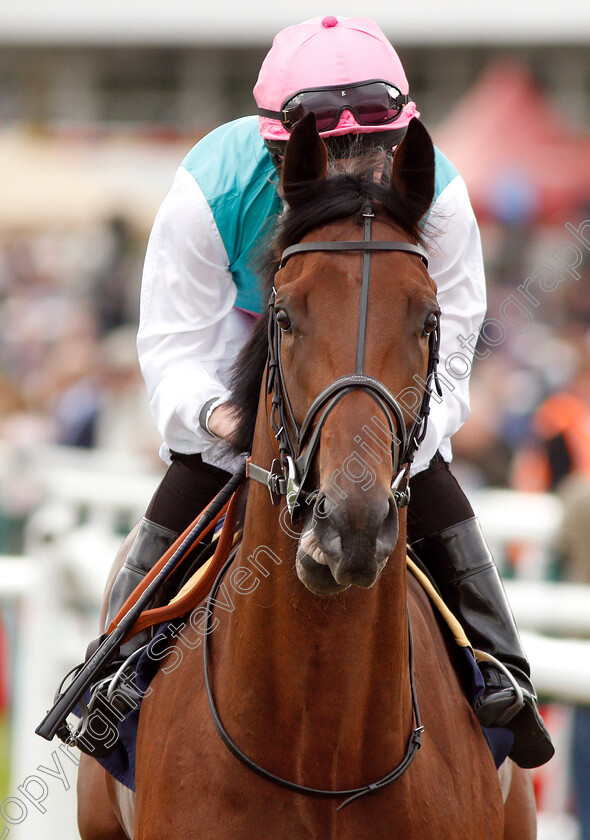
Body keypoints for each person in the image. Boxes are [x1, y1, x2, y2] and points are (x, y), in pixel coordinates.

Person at [86, 15, 553, 768]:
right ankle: (109, 674)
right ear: (282, 150)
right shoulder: (210, 187)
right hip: (248, 346)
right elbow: (174, 348)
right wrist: (227, 419)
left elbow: (451, 356)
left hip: (374, 375)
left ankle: (502, 669)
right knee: (194, 474)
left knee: (428, 480)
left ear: (402, 140)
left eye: (372, 148)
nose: (353, 172)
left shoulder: (437, 197)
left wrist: (381, 441)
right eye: (331, 152)